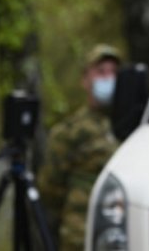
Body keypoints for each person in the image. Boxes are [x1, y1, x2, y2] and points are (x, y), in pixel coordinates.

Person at [38, 44, 122, 250]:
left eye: (114, 72)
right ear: (85, 80)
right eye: (101, 72)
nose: (108, 78)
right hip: (80, 236)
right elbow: (50, 189)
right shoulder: (69, 131)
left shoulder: (137, 126)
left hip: (126, 232)